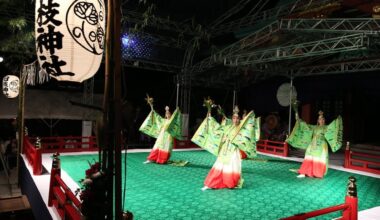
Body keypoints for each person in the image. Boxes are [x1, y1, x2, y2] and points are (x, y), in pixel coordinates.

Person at [192, 98, 260, 190]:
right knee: (219, 166)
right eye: (234, 118)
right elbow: (216, 129)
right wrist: (209, 117)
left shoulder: (240, 129)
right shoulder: (227, 127)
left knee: (231, 167)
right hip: (224, 150)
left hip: (233, 151)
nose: (235, 119)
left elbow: (247, 131)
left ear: (239, 119)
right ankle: (213, 183)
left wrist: (248, 116)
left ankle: (230, 183)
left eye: (237, 118)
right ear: (232, 119)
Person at [286, 105, 343, 178]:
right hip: (313, 143)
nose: (321, 120)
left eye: (323, 119)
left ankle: (317, 173)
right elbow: (304, 125)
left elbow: (333, 129)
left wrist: (337, 121)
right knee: (308, 156)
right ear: (318, 121)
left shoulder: (326, 127)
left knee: (318, 158)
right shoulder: (314, 127)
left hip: (322, 144)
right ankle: (304, 172)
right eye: (320, 119)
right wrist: (297, 114)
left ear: (324, 120)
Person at [139, 95, 182, 164]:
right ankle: (151, 159)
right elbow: (156, 115)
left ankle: (163, 159)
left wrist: (176, 111)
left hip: (168, 136)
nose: (168, 115)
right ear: (165, 115)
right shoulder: (163, 120)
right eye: (167, 114)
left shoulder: (171, 121)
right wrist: (151, 106)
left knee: (166, 147)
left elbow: (175, 117)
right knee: (157, 146)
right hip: (162, 136)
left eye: (169, 114)